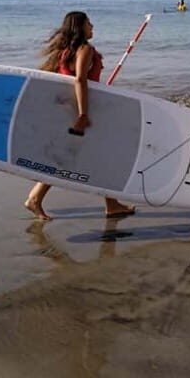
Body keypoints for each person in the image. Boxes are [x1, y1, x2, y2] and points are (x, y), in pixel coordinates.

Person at [24, 11, 136, 221]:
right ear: (80, 27)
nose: (92, 27)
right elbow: (80, 81)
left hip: (69, 112)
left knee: (75, 156)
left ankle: (111, 204)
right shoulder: (85, 49)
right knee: (94, 157)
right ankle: (35, 198)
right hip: (81, 114)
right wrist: (83, 114)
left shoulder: (65, 52)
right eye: (89, 23)